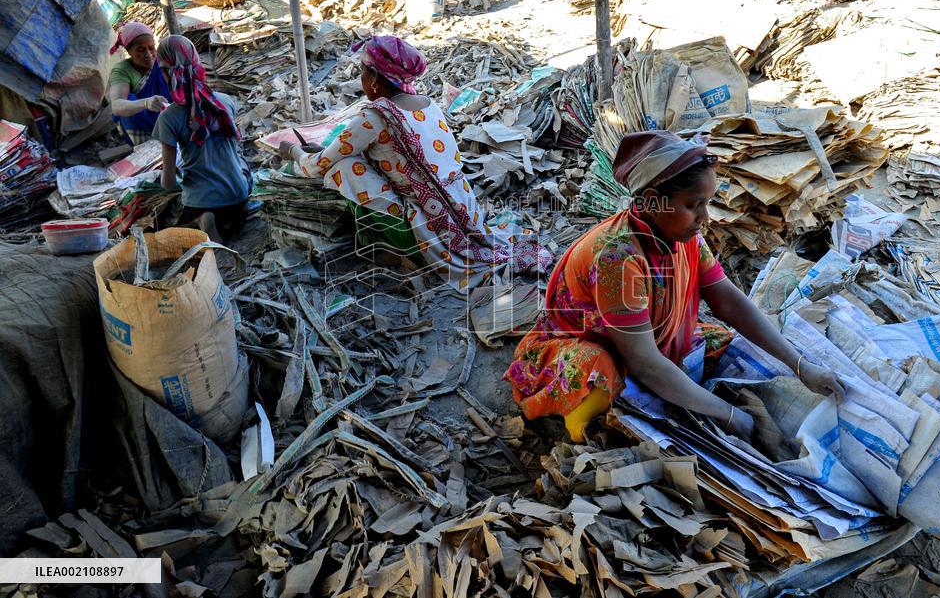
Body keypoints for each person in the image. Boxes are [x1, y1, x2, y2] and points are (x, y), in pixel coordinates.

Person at [504, 130, 844, 442]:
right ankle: (579, 424)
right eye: (693, 205)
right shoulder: (617, 259)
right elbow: (646, 363)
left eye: (707, 203)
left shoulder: (682, 236)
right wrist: (725, 414)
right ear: (652, 201)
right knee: (600, 373)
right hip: (589, 345)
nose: (705, 217)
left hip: (641, 341)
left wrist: (800, 366)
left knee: (722, 343)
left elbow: (727, 300)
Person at [278, 35, 551, 291]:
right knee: (352, 158)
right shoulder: (427, 104)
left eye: (362, 72)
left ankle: (388, 246)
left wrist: (292, 151)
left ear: (374, 78)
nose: (360, 79)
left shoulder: (374, 117)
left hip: (426, 222)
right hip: (464, 210)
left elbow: (315, 166)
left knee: (343, 167)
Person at [151, 35, 251, 244]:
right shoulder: (225, 102)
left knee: (166, 216)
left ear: (165, 73)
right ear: (198, 64)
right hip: (239, 194)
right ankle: (236, 215)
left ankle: (201, 220)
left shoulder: (168, 118)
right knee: (243, 168)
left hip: (202, 202)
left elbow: (168, 183)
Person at [107, 22, 170, 145]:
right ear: (129, 51)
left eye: (151, 48)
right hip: (142, 121)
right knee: (128, 99)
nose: (148, 54)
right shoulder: (122, 70)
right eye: (140, 50)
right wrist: (146, 103)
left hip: (166, 116)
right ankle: (145, 145)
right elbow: (117, 105)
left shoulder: (163, 62)